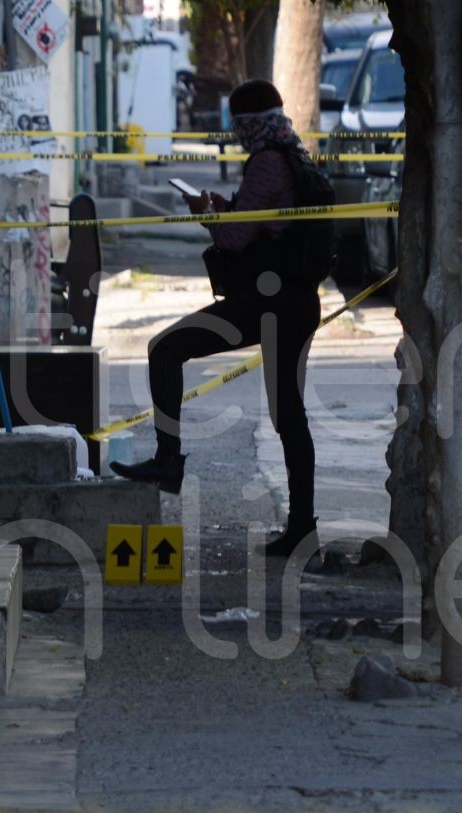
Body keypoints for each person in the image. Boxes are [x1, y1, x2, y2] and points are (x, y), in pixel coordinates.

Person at [110, 79, 331, 558]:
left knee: (165, 349)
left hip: (268, 303)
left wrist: (206, 215)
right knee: (289, 413)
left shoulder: (268, 163)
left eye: (237, 127)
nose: (235, 136)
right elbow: (261, 222)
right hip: (294, 302)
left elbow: (234, 240)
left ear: (248, 125)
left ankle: (169, 461)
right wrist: (224, 209)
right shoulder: (294, 154)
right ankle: (302, 529)